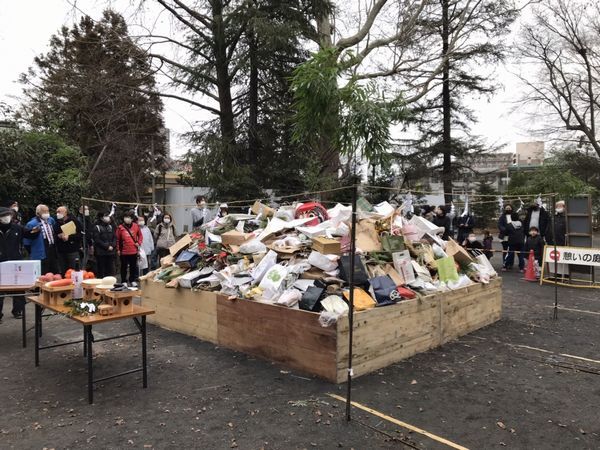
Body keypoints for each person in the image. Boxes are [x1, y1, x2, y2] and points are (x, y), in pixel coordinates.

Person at [0, 207, 39, 320]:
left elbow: (29, 234)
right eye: (3, 215)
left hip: (15, 261)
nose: (7, 217)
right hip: (1, 261)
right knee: (1, 289)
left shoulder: (17, 228)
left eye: (8, 215)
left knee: (19, 287)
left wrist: (36, 231)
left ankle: (18, 310)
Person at [24, 204, 59, 274]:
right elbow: (26, 242)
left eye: (47, 211)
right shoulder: (32, 224)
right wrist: (33, 251)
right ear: (38, 213)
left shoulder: (51, 220)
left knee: (54, 270)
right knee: (42, 272)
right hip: (40, 250)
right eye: (44, 211)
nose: (46, 213)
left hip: (52, 248)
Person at [53, 206, 82, 275]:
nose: (57, 213)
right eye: (57, 212)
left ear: (65, 213)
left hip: (72, 250)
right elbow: (53, 235)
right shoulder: (56, 222)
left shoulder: (74, 221)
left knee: (74, 270)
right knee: (63, 271)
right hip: (61, 251)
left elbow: (80, 235)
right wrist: (58, 236)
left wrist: (69, 237)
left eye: (59, 212)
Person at [117, 211, 143, 284]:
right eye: (126, 217)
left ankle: (132, 280)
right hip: (123, 251)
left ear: (132, 219)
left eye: (129, 217)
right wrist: (118, 249)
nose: (127, 219)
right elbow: (117, 239)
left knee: (133, 266)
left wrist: (139, 242)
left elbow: (140, 236)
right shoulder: (120, 227)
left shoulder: (136, 226)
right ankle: (123, 280)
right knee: (124, 267)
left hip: (133, 250)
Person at [498, 204, 525, 272]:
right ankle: (506, 264)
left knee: (512, 251)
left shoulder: (515, 217)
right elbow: (500, 225)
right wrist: (504, 230)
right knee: (506, 251)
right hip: (505, 236)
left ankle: (510, 264)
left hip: (512, 238)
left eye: (509, 208)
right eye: (506, 208)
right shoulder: (502, 217)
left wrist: (510, 230)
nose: (508, 209)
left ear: (512, 208)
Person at [92, 212, 117, 278]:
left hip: (110, 252)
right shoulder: (97, 227)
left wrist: (113, 245)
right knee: (101, 270)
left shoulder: (110, 226)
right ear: (101, 218)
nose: (108, 217)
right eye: (105, 216)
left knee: (110, 270)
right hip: (101, 253)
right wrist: (106, 247)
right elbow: (97, 240)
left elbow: (114, 237)